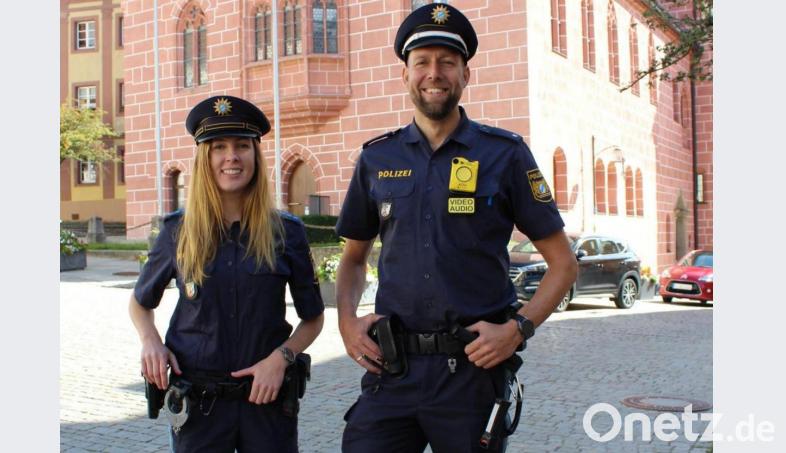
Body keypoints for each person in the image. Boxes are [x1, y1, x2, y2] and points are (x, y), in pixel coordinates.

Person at [334, 4, 578, 452]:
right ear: (405, 75)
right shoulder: (376, 159)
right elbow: (353, 258)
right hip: (394, 369)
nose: (434, 73)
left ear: (466, 74)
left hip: (471, 374)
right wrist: (348, 324)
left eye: (447, 62)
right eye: (422, 62)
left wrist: (518, 329)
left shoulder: (504, 155)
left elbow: (563, 264)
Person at [129, 95, 324, 452]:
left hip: (266, 401)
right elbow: (140, 303)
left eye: (241, 146)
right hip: (199, 405)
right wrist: (150, 341)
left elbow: (313, 319)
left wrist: (280, 359)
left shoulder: (286, 232)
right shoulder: (177, 232)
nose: (231, 157)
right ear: (205, 159)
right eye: (219, 147)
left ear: (255, 155)